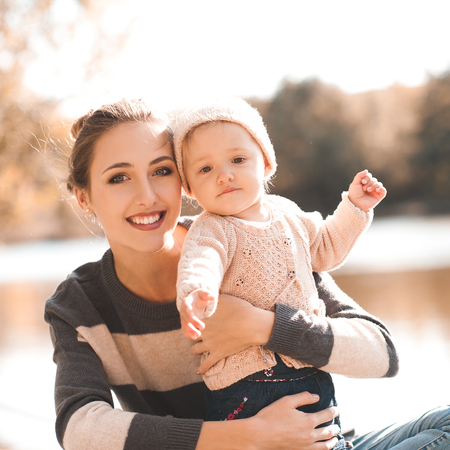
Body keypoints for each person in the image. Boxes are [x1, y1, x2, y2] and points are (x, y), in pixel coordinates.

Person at [44, 98, 450, 450]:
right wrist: (246, 437)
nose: (147, 195)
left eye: (162, 171)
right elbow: (80, 428)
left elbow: (381, 355)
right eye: (119, 177)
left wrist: (264, 326)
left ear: (182, 180)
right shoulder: (80, 304)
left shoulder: (255, 238)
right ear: (84, 198)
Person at [173, 98, 385, 438]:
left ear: (267, 162)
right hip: (246, 385)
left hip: (309, 369)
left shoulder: (288, 213)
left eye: (238, 160)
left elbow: (326, 248)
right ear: (189, 188)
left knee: (324, 438)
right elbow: (202, 259)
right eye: (205, 169)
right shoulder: (211, 228)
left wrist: (355, 209)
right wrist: (198, 290)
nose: (224, 175)